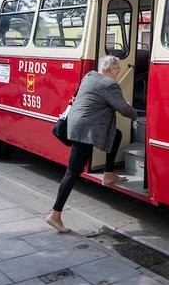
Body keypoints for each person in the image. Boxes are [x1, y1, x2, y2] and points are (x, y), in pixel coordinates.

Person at [46, 55, 138, 233]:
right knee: (72, 172)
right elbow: (124, 109)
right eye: (118, 69)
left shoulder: (89, 76)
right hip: (85, 130)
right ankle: (55, 214)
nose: (118, 72)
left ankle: (108, 173)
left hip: (77, 123)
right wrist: (137, 116)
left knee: (116, 135)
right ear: (112, 70)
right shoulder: (109, 84)